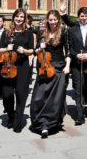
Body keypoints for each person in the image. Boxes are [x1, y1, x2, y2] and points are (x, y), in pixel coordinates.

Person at [30, 10, 70, 138]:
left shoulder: (64, 32)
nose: (52, 22)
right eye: (50, 19)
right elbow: (36, 50)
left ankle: (49, 124)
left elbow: (68, 51)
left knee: (56, 98)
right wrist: (38, 49)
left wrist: (67, 66)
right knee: (39, 97)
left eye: (54, 19)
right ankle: (41, 121)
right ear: (47, 20)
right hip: (44, 68)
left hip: (58, 67)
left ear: (58, 20)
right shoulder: (42, 32)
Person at [0, 8, 34, 133]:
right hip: (7, 66)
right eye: (17, 16)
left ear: (24, 19)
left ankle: (17, 122)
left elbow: (32, 50)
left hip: (22, 67)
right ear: (13, 17)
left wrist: (24, 51)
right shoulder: (6, 32)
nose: (19, 19)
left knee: (21, 94)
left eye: (22, 17)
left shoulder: (28, 33)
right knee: (7, 95)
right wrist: (7, 48)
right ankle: (11, 116)